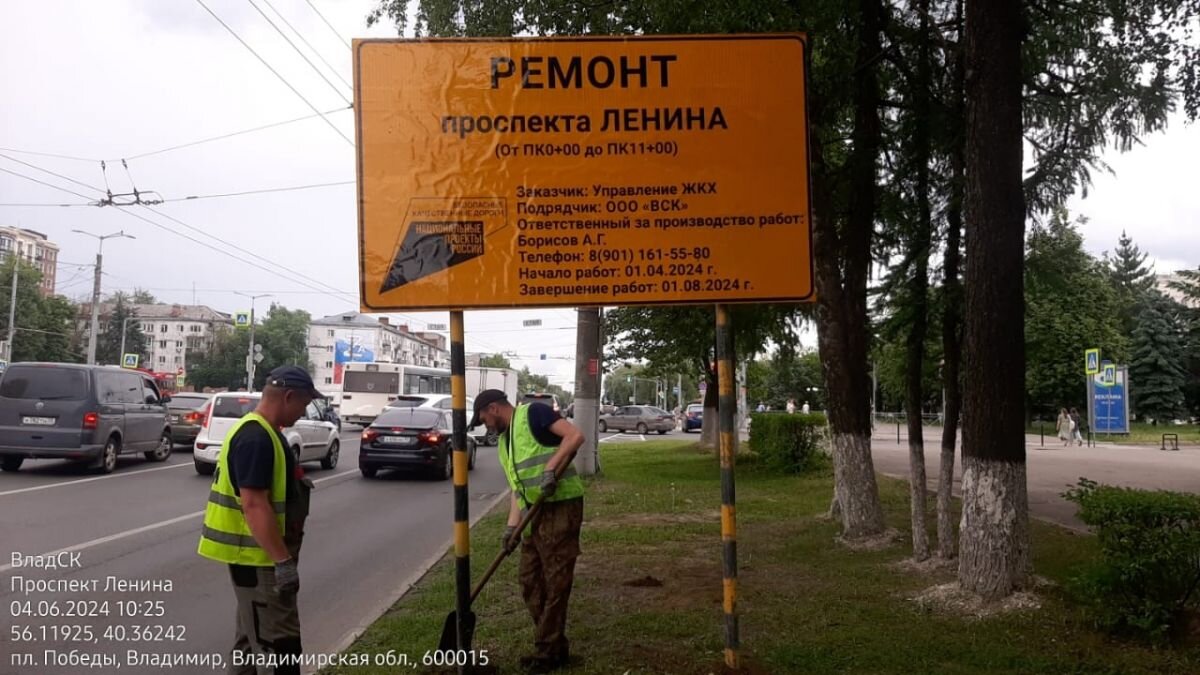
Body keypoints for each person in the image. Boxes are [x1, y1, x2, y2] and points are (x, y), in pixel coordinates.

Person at [197, 366, 321, 675]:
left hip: (256, 561)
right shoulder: (256, 438)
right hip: (260, 562)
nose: (304, 411)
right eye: (303, 403)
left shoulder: (267, 433)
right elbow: (254, 504)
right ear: (288, 396)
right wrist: (282, 562)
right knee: (280, 647)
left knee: (251, 645)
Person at [471, 389, 586, 673]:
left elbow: (575, 436)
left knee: (556, 581)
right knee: (529, 580)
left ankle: (548, 651)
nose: (484, 423)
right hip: (533, 513)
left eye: (483, 417)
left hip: (560, 506)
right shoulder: (503, 442)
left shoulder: (533, 413)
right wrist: (511, 528)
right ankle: (554, 644)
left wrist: (551, 468)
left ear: (494, 408)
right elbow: (517, 488)